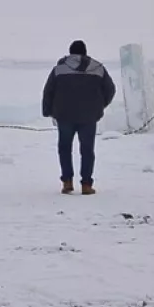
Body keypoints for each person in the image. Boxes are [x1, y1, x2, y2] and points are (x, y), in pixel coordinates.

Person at [43, 39, 117, 195]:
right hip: (89, 116)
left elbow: (48, 91)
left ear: (70, 53)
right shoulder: (98, 68)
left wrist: (48, 110)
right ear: (85, 52)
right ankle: (86, 185)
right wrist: (99, 106)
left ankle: (67, 182)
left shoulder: (59, 69)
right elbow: (110, 89)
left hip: (64, 115)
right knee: (87, 150)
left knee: (64, 148)